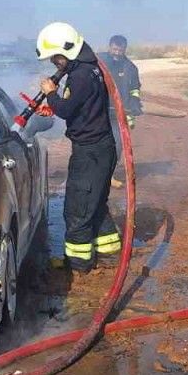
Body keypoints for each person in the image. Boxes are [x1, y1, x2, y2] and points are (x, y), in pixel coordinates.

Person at [36, 21, 122, 273]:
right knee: (95, 204)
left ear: (68, 51)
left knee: (77, 209)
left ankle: (78, 263)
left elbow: (65, 109)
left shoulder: (81, 76)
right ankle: (109, 251)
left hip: (90, 152)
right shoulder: (90, 68)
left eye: (56, 57)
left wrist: (51, 93)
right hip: (101, 148)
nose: (54, 63)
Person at [99, 34, 142, 188]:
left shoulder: (130, 68)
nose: (117, 53)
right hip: (99, 112)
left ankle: (108, 176)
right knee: (98, 144)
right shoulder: (99, 62)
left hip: (120, 113)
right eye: (114, 49)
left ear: (125, 50)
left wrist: (135, 103)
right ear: (110, 47)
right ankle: (96, 174)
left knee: (117, 145)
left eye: (120, 50)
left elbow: (135, 88)